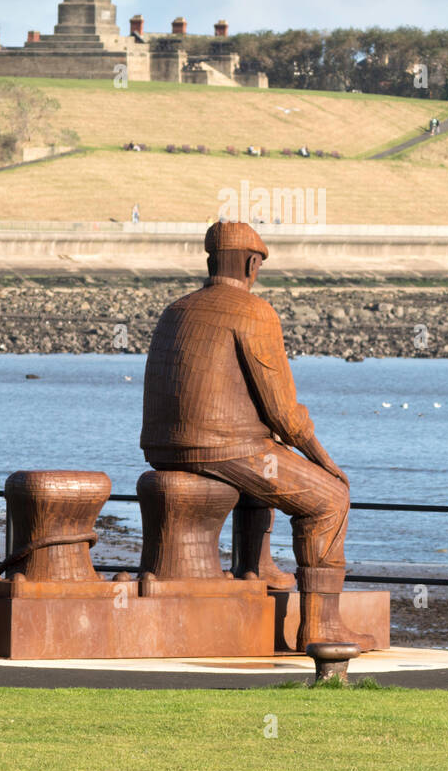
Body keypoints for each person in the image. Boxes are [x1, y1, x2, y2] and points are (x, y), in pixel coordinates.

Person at [140, 220, 375, 650]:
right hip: (226, 447)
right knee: (329, 500)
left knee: (268, 462)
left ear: (211, 260)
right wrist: (326, 463)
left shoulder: (176, 308)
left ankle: (256, 564)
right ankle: (321, 626)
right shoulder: (253, 311)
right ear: (251, 263)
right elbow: (284, 413)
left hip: (165, 448)